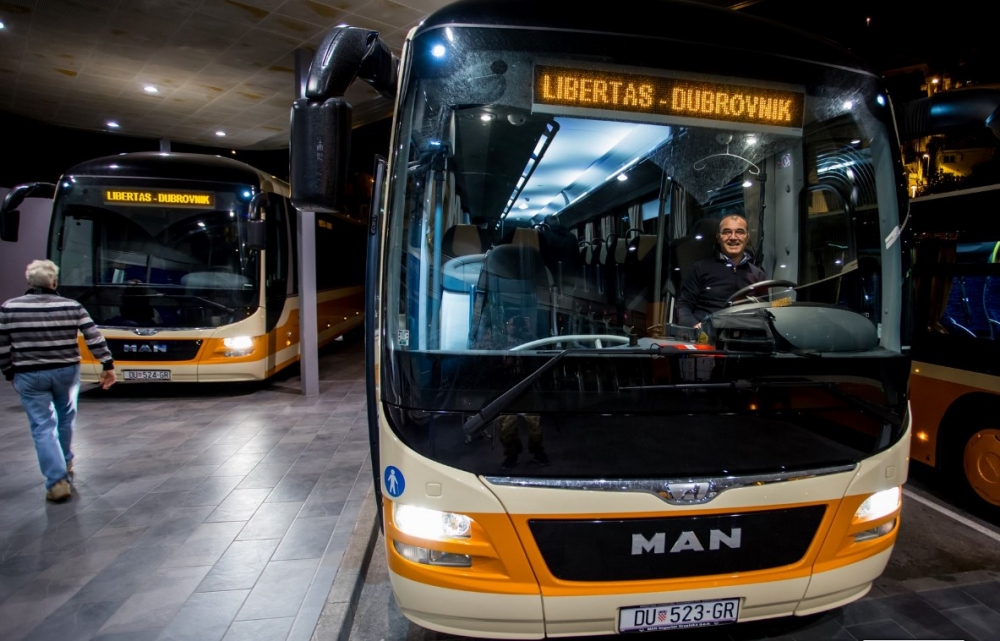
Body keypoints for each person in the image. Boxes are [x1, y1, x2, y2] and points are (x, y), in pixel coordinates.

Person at [0, 259, 116, 503]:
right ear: (53, 282)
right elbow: (93, 336)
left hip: (29, 373)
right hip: (66, 372)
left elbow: (2, 345)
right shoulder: (72, 306)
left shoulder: (9, 308)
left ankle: (56, 481)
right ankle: (64, 460)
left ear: (29, 282)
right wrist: (107, 364)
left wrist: (9, 371)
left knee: (42, 425)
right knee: (65, 418)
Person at [675, 214, 766, 329]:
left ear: (747, 237)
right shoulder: (700, 268)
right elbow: (683, 305)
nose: (733, 237)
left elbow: (764, 310)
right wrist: (694, 326)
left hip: (745, 334)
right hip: (707, 334)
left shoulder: (758, 275)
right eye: (726, 232)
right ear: (718, 237)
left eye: (739, 232)